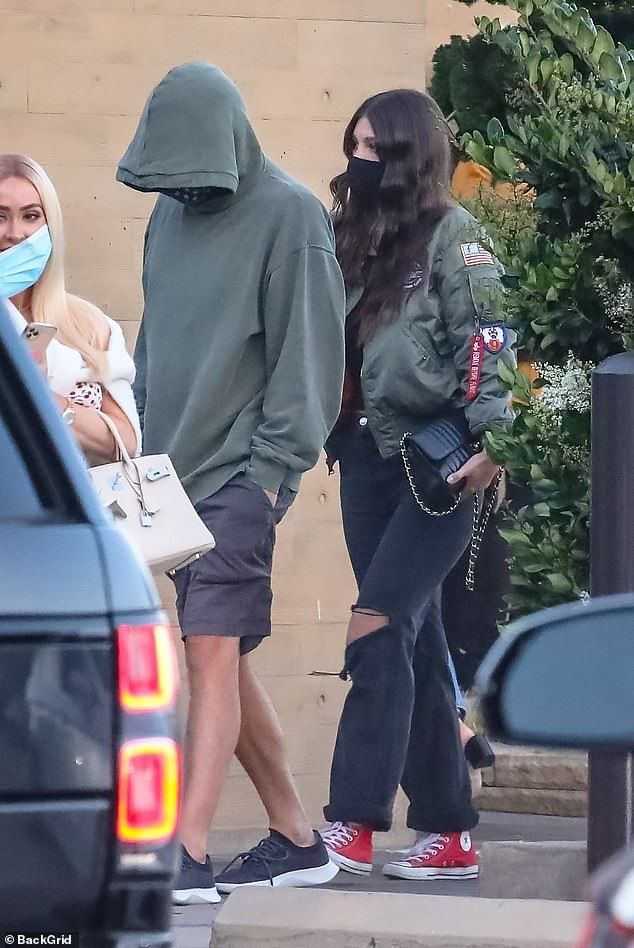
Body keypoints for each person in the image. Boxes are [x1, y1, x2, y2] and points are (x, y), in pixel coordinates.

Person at [116, 62, 346, 903]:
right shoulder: (167, 217)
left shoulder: (291, 217)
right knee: (224, 657)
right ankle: (297, 838)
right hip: (167, 480)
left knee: (208, 649)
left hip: (244, 476)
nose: (182, 191)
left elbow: (309, 363)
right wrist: (143, 454)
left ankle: (186, 853)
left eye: (193, 176)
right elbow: (154, 345)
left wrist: (271, 478)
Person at [320, 89, 516, 881]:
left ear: (410, 154)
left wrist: (494, 442)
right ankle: (449, 829)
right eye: (355, 143)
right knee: (413, 640)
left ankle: (352, 821)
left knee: (374, 627)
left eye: (376, 147)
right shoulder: (352, 236)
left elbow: (492, 340)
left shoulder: (454, 235)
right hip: (363, 454)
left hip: (437, 463)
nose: (359, 159)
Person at [0, 154, 140, 462]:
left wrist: (42, 399)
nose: (15, 233)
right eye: (0, 216)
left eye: (31, 216)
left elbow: (126, 441)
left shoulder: (86, 324)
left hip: (70, 490)